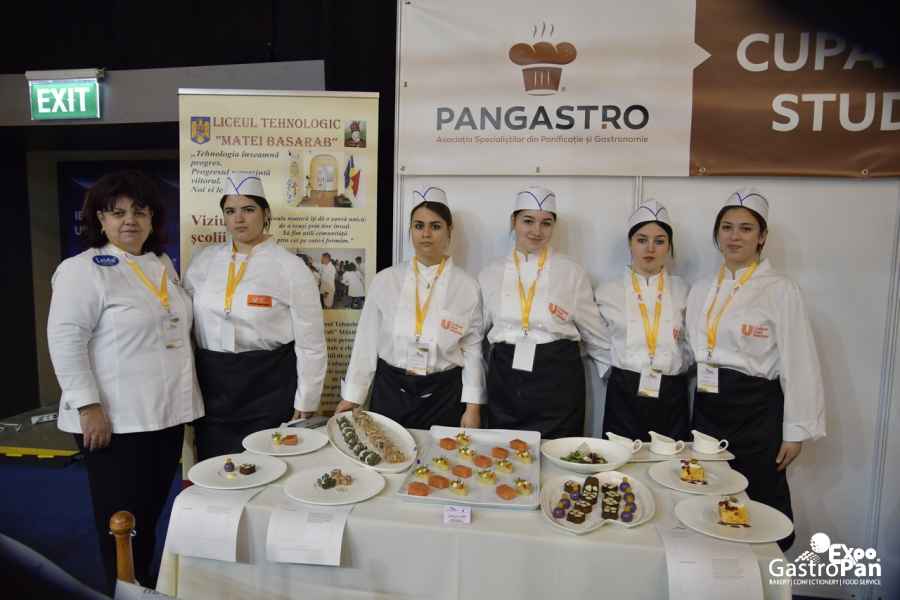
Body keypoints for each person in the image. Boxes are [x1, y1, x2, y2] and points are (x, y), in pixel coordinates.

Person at [47, 170, 203, 593]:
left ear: (153, 218)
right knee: (120, 520)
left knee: (149, 512)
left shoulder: (161, 264)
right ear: (100, 219)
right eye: (117, 213)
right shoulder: (81, 270)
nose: (129, 220)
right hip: (114, 420)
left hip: (164, 415)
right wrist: (88, 406)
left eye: (139, 211)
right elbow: (65, 341)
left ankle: (142, 585)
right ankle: (120, 589)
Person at [686, 188, 825, 550]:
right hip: (708, 405)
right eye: (727, 227)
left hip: (756, 410)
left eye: (746, 228)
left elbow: (800, 360)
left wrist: (795, 430)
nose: (734, 236)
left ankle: (763, 572)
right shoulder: (701, 289)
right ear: (717, 234)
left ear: (762, 237)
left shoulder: (780, 289)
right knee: (708, 491)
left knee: (758, 496)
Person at [184, 171, 327, 459]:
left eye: (248, 209)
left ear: (265, 213)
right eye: (230, 211)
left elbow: (311, 343)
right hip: (214, 389)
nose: (239, 219)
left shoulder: (290, 267)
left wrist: (307, 400)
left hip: (268, 386)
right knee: (216, 469)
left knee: (269, 468)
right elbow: (186, 329)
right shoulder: (204, 262)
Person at [335, 187, 484, 428]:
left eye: (436, 226)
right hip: (391, 390)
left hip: (444, 395)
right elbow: (366, 342)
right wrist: (353, 396)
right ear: (410, 230)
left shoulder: (467, 286)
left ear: (449, 231)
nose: (426, 234)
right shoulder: (385, 280)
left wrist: (473, 407)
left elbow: (473, 351)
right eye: (419, 226)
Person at [479, 186, 609, 439]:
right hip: (506, 377)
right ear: (514, 222)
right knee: (504, 450)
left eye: (546, 223)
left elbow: (595, 333)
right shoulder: (490, 273)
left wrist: (623, 377)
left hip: (558, 379)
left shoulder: (571, 272)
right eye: (528, 221)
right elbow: (474, 336)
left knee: (559, 451)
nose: (536, 231)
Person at [594, 200, 691, 441]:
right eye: (641, 240)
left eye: (659, 241)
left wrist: (680, 365)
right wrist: (615, 369)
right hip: (623, 390)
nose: (650, 248)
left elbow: (692, 339)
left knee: (671, 459)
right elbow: (595, 338)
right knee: (620, 459)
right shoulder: (607, 291)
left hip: (671, 391)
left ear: (668, 246)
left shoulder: (684, 290)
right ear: (630, 243)